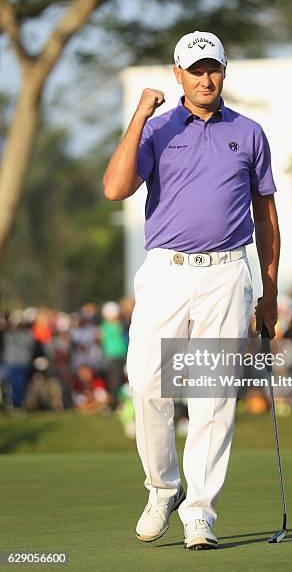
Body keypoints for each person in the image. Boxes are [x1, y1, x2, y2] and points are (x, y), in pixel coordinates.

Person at [103, 30, 280, 550]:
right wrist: (139, 115)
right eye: (195, 70)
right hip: (165, 271)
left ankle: (200, 510)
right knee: (146, 383)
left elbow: (266, 214)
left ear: (224, 72)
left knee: (214, 396)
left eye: (214, 68)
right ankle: (163, 488)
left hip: (227, 273)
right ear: (177, 74)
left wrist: (270, 290)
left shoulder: (248, 133)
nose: (206, 78)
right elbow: (115, 188)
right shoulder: (156, 130)